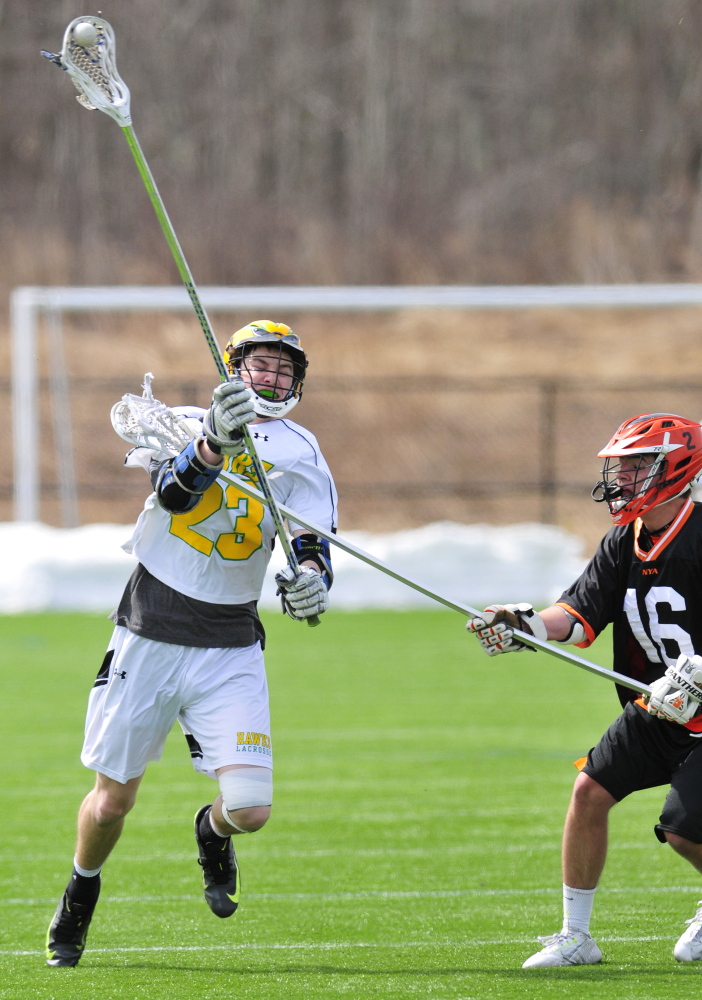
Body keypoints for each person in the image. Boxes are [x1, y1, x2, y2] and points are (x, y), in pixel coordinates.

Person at [46, 321, 337, 968]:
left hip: (230, 641)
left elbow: (312, 541)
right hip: (152, 630)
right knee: (112, 799)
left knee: (251, 808)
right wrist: (211, 442)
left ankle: (211, 831)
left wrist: (313, 580)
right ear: (234, 365)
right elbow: (173, 496)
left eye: (283, 369)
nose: (271, 378)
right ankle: (80, 889)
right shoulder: (184, 421)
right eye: (260, 365)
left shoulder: (303, 452)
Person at [467, 412, 702, 968]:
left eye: (637, 466)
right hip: (658, 709)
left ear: (676, 466)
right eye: (619, 466)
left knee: (682, 830)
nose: (621, 478)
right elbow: (577, 615)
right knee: (589, 793)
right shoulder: (623, 540)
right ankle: (576, 937)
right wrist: (524, 624)